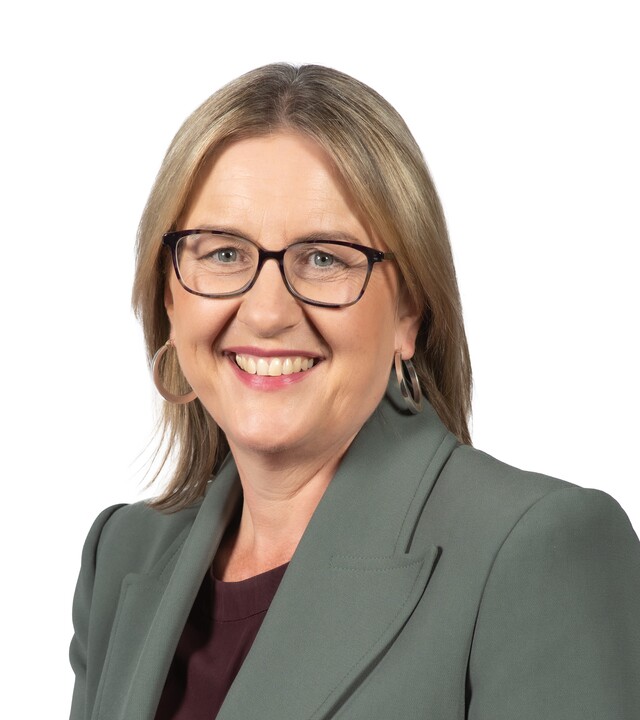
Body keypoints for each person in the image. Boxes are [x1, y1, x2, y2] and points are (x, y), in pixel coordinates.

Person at [69, 63, 640, 720]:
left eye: (324, 258)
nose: (267, 313)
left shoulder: (539, 551)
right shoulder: (122, 553)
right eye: (223, 253)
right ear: (169, 296)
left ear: (409, 312)